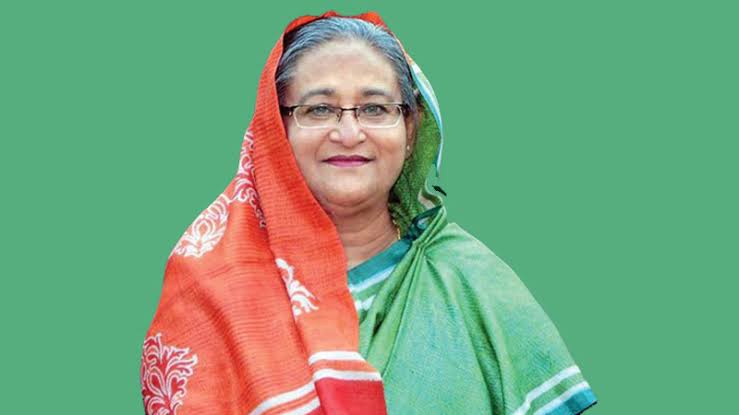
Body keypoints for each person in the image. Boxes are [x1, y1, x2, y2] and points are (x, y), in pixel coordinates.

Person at [141, 10, 598, 415]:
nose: (348, 133)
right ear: (276, 130)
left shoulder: (473, 285)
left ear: (411, 129)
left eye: (375, 108)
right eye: (319, 109)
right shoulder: (212, 287)